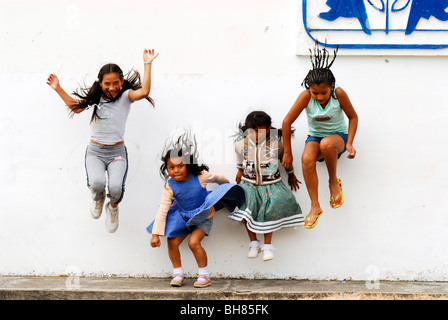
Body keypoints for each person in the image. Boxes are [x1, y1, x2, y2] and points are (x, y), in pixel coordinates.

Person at [47, 49, 159, 233]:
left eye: (116, 83)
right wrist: (58, 88)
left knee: (116, 189)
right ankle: (98, 198)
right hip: (95, 152)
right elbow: (76, 108)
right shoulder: (96, 98)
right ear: (101, 83)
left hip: (117, 153)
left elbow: (145, 91)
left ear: (122, 82)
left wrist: (147, 64)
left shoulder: (126, 96)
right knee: (97, 183)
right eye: (108, 84)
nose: (112, 87)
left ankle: (112, 208)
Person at [147, 134, 245, 288]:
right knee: (172, 242)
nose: (176, 171)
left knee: (193, 242)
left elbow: (218, 177)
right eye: (171, 167)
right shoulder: (170, 186)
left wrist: (225, 187)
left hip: (203, 215)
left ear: (188, 165)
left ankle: (204, 275)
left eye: (180, 166)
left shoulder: (200, 176)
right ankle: (178, 274)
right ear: (166, 168)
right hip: (183, 216)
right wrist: (155, 234)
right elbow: (162, 210)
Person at [282, 41, 358, 229]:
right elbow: (286, 122)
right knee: (307, 158)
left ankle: (333, 181)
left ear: (331, 86)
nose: (320, 97)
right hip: (315, 137)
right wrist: (287, 153)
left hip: (337, 136)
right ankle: (315, 205)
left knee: (326, 144)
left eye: (324, 92)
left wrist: (349, 143)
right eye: (315, 93)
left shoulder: (338, 93)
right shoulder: (306, 96)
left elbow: (353, 117)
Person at [229, 111, 304, 261]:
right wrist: (239, 171)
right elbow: (239, 159)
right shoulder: (240, 145)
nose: (255, 135)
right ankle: (253, 243)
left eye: (259, 132)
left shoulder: (277, 145)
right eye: (251, 131)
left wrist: (291, 174)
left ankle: (267, 246)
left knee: (270, 210)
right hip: (249, 184)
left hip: (271, 184)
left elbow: (286, 162)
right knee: (247, 210)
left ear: (268, 129)